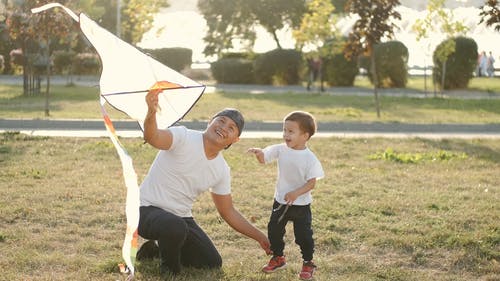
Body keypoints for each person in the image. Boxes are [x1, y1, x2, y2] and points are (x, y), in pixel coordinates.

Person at [137, 88, 272, 276]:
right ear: (210, 122)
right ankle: (170, 271)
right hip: (146, 209)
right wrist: (151, 113)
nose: (224, 127)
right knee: (174, 226)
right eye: (221, 121)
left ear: (235, 139)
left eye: (231, 128)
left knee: (211, 262)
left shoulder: (221, 169)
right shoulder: (183, 137)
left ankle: (154, 250)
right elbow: (152, 137)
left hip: (180, 217)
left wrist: (260, 237)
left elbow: (228, 211)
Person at [248, 111, 324, 281]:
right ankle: (278, 258)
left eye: (291, 131)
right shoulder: (281, 149)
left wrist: (296, 193)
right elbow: (264, 159)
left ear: (305, 136)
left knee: (303, 235)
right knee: (274, 230)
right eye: (284, 130)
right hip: (281, 201)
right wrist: (260, 153)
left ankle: (308, 262)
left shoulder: (310, 158)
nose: (285, 135)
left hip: (301, 205)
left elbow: (312, 183)